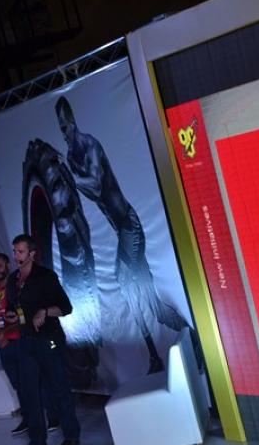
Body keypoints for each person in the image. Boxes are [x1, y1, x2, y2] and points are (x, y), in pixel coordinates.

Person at [55, 96, 187, 373]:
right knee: (151, 302)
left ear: (73, 122)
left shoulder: (90, 146)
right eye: (60, 129)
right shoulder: (71, 156)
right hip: (121, 231)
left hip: (129, 225)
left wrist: (71, 178)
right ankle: (179, 341)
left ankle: (157, 355)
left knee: (127, 283)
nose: (64, 133)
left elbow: (95, 185)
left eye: (65, 127)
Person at [5, 234, 80, 445]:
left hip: (48, 338)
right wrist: (11, 316)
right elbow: (13, 308)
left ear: (31, 253)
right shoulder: (13, 280)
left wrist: (44, 311)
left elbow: (66, 307)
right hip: (25, 340)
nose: (16, 256)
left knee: (58, 387)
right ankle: (38, 442)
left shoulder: (45, 276)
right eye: (15, 251)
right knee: (29, 392)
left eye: (20, 251)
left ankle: (71, 436)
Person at [0, 253, 59, 436]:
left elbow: (25, 316)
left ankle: (53, 416)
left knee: (37, 382)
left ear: (8, 265)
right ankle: (28, 419)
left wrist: (5, 333)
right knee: (18, 384)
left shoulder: (17, 286)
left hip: (22, 340)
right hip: (4, 345)